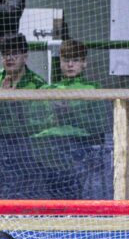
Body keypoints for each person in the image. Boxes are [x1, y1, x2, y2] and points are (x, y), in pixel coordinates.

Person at [29, 39, 109, 199]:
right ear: (60, 62)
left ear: (84, 63)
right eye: (66, 60)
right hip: (46, 147)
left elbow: (100, 123)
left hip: (79, 146)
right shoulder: (47, 90)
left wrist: (70, 112)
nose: (70, 64)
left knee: (70, 183)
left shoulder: (93, 89)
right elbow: (33, 121)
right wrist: (53, 116)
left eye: (76, 60)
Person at [0, 33, 45, 198]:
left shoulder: (38, 84)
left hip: (29, 143)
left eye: (14, 53)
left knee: (28, 187)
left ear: (25, 56)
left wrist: (18, 101)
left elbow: (44, 119)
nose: (9, 58)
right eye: (5, 54)